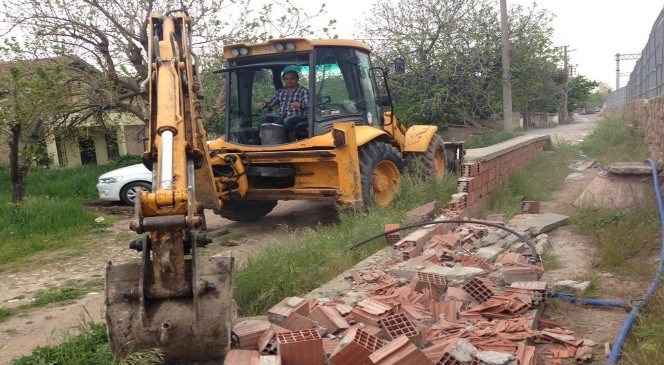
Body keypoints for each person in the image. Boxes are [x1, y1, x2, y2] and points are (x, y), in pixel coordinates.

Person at [257, 70, 308, 139]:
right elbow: (271, 103)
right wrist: (264, 104)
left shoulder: (303, 91)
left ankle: (292, 142)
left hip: (300, 116)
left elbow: (309, 105)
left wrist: (300, 105)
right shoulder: (280, 91)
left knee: (287, 120)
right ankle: (262, 139)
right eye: (286, 79)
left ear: (297, 79)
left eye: (292, 78)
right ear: (284, 80)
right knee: (263, 117)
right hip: (282, 115)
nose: (289, 81)